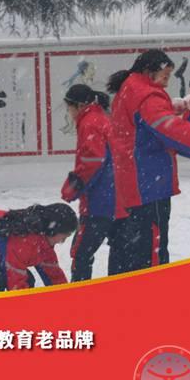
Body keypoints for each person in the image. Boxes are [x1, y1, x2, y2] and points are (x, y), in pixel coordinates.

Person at [106, 49, 190, 274]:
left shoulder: (130, 89)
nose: (167, 82)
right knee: (151, 257)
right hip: (147, 188)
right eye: (165, 75)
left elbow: (162, 136)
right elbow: (173, 133)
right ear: (149, 71)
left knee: (128, 255)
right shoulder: (146, 95)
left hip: (133, 186)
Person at [60, 84, 121, 281]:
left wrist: (72, 188)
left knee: (80, 254)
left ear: (78, 106)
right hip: (117, 199)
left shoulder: (89, 122)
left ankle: (80, 295)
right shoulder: (102, 117)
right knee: (120, 254)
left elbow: (93, 161)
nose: (69, 114)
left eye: (69, 108)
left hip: (99, 203)